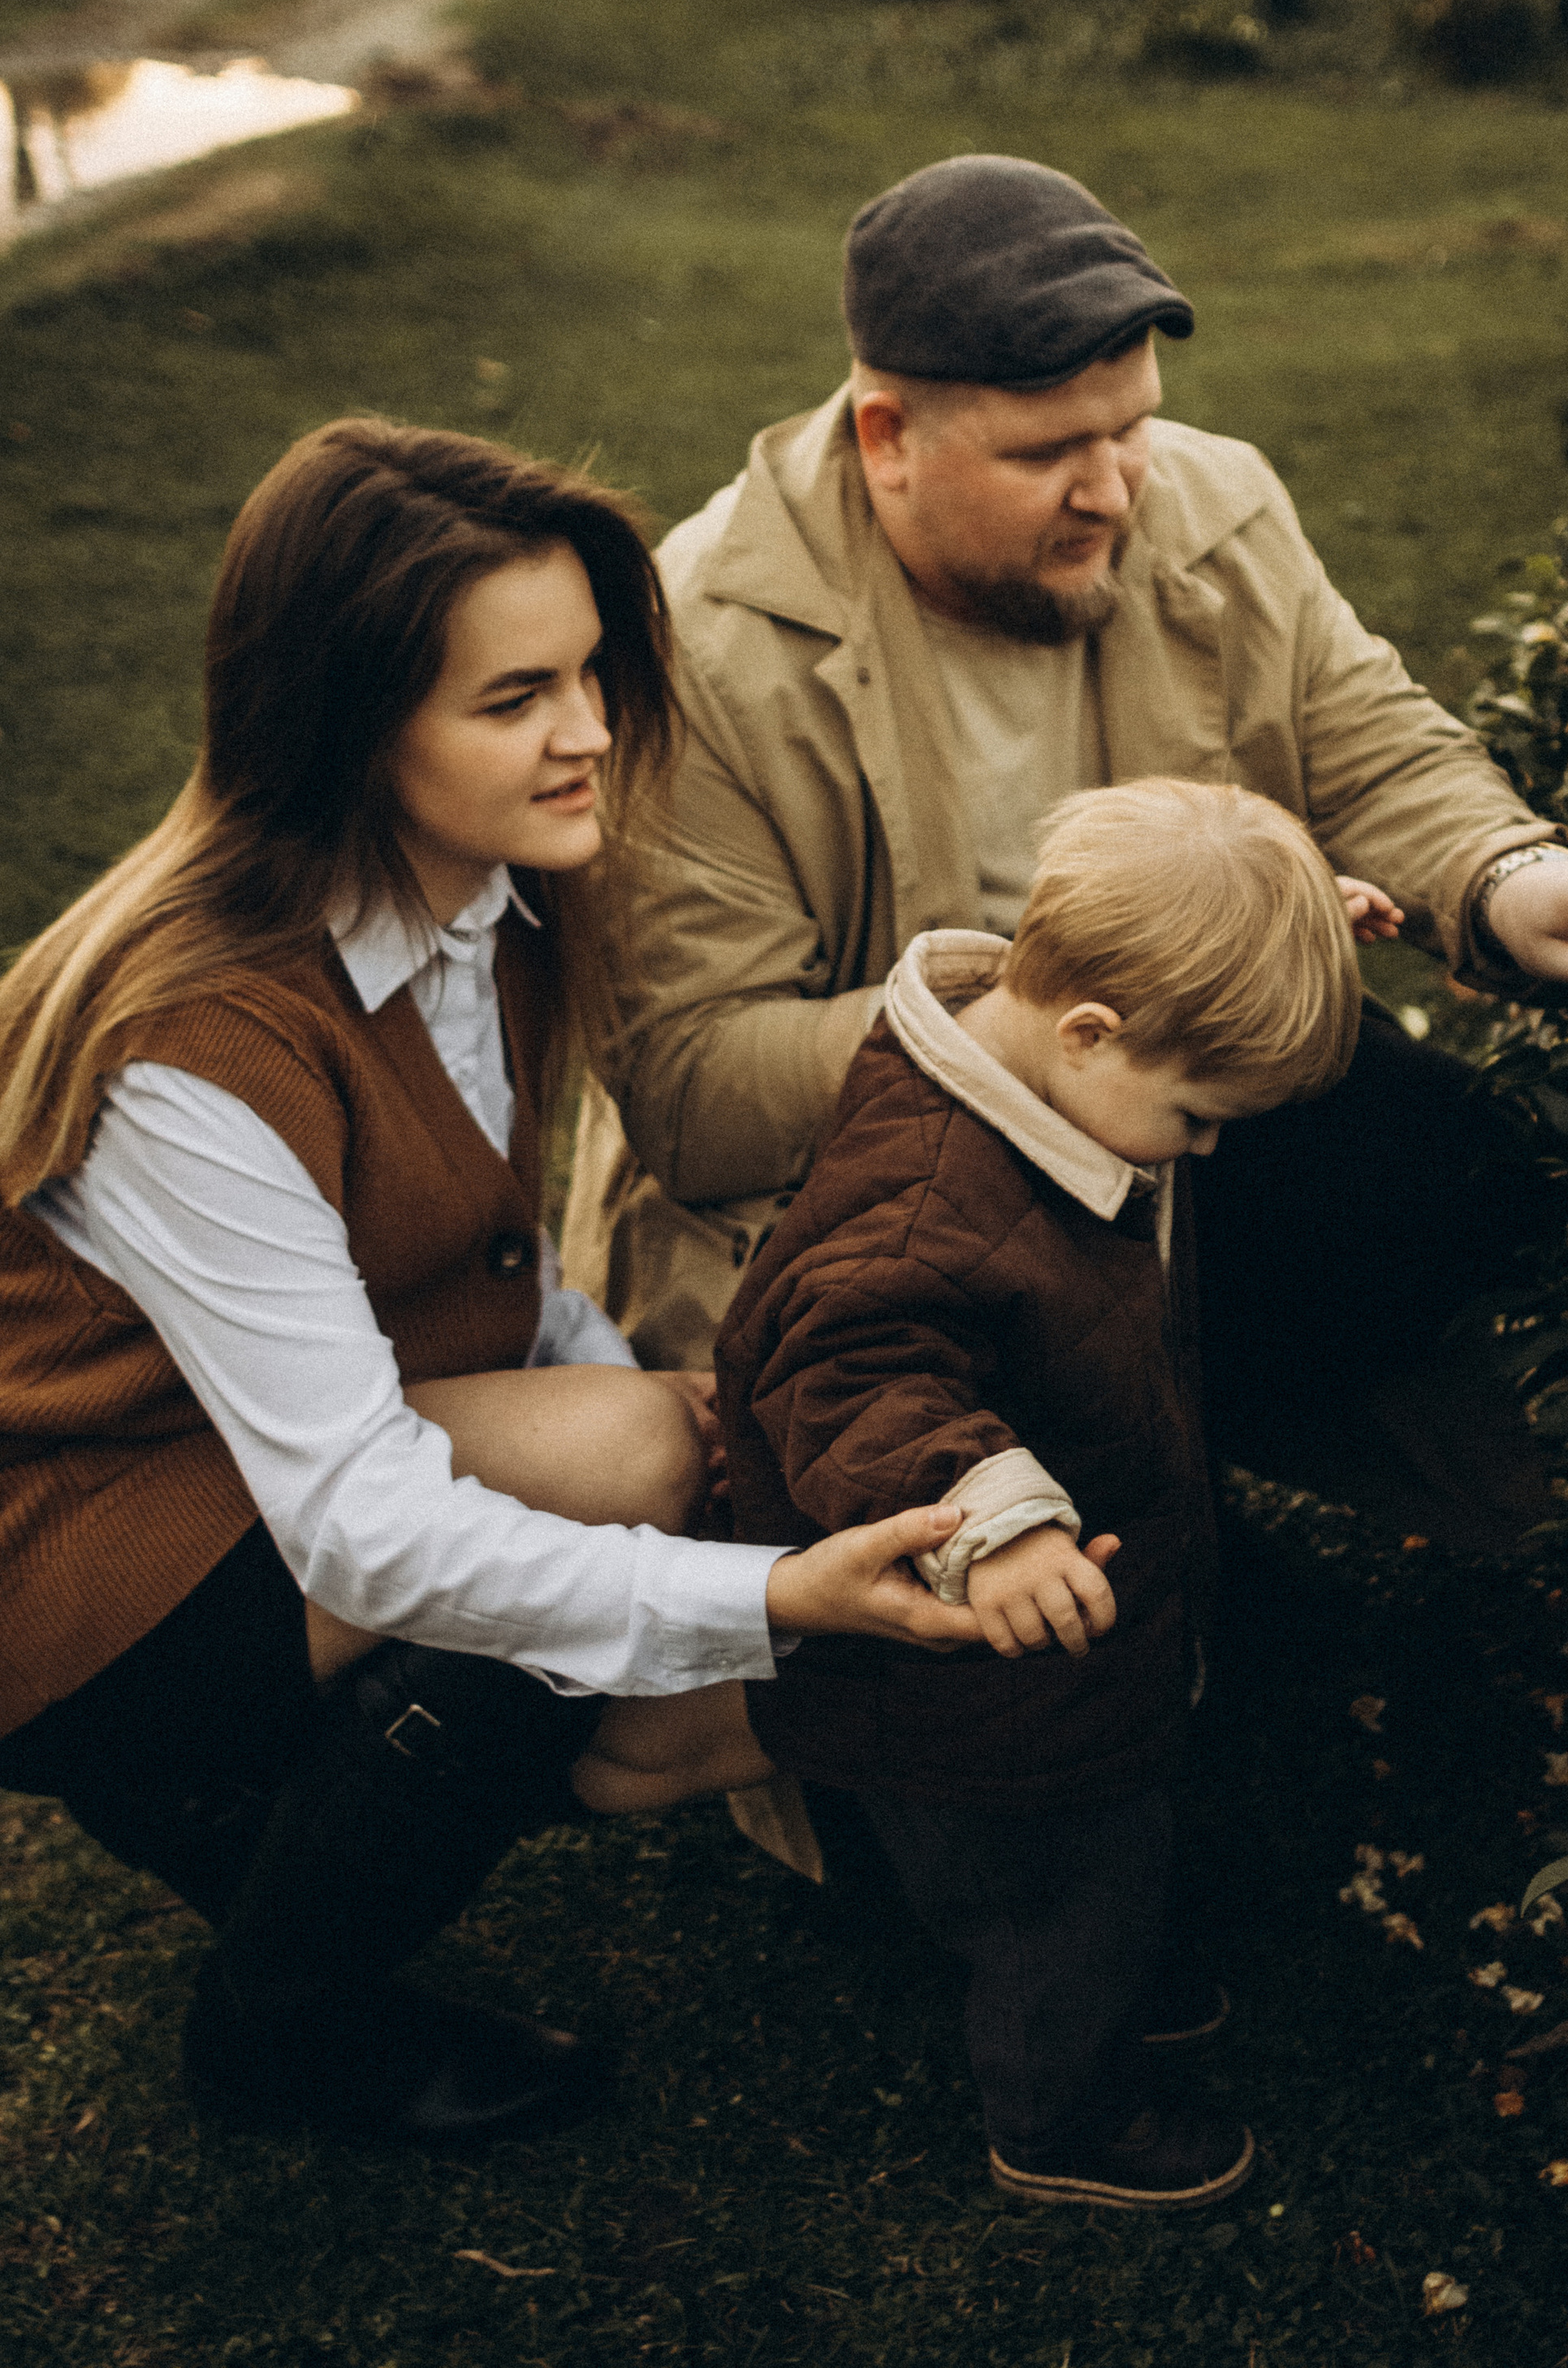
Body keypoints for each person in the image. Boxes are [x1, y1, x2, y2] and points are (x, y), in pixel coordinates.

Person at [0, 418, 987, 2148]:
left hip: (236, 1467)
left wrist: (675, 1461)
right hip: (55, 1556)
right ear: (347, 720)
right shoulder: (191, 1045)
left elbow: (478, 1268)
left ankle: (280, 1823)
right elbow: (370, 1536)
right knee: (607, 1527)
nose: (591, 734)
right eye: (513, 696)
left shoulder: (493, 905)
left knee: (643, 1542)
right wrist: (755, 1589)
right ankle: (278, 2030)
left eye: (593, 674)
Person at [562, 152, 1568, 1523]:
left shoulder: (1214, 503)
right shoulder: (703, 649)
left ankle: (1550, 1555)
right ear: (885, 438)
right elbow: (694, 1089)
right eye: (1046, 454)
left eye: (1131, 426)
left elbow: (1369, 741)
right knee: (1071, 1605)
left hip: (1178, 1135)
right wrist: (1050, 1001)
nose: (1114, 491)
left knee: (1455, 1177)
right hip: (869, 1219)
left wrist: (1508, 879)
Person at [706, 779, 1363, 2209]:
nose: (1203, 1151)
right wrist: (988, 1521)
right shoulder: (931, 1195)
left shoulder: (1020, 1063)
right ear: (1090, 1032)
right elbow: (855, 1374)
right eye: (1197, 1114)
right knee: (1051, 1889)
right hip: (980, 1681)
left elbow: (1178, 1012)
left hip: (1065, 1643)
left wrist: (1289, 945)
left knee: (1098, 1871)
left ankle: (1100, 1971)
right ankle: (1064, 2113)